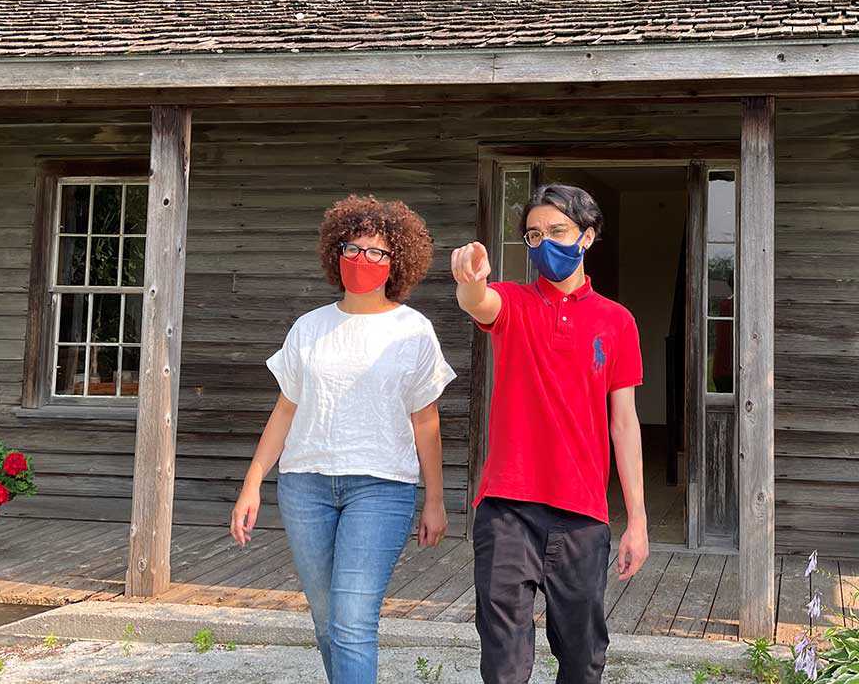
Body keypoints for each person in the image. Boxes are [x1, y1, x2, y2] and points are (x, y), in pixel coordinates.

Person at [230, 194, 456, 684]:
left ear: (397, 261)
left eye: (377, 252)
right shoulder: (309, 327)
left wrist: (435, 499)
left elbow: (426, 421)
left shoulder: (413, 330)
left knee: (352, 622)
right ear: (336, 252)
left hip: (381, 488)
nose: (363, 260)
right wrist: (252, 483)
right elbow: (285, 408)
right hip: (304, 486)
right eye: (353, 248)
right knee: (327, 620)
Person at [451, 183, 648, 684]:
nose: (544, 244)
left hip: (582, 513)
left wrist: (638, 520)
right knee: (503, 658)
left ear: (586, 236)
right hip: (507, 507)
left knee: (582, 656)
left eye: (557, 231)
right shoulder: (514, 303)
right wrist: (470, 279)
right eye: (533, 236)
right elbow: (478, 301)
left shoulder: (617, 321)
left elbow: (624, 424)